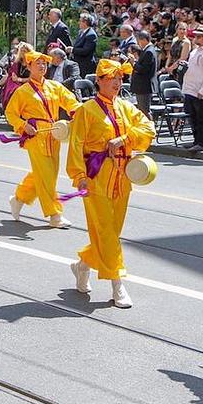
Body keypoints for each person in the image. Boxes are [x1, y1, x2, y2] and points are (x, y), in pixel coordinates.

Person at [66, 58, 155, 308]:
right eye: (111, 78)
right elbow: (75, 146)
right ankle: (118, 283)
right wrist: (79, 177)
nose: (117, 83)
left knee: (112, 233)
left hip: (122, 177)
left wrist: (125, 138)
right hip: (96, 178)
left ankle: (82, 265)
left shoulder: (126, 107)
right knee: (106, 232)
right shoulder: (87, 111)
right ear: (99, 81)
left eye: (120, 78)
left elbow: (148, 129)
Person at [6, 50, 80, 227]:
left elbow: (72, 103)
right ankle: (54, 215)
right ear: (29, 66)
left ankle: (19, 198)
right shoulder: (22, 91)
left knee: (47, 174)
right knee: (46, 176)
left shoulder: (55, 86)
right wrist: (24, 126)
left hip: (54, 134)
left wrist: (80, 113)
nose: (42, 66)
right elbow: (10, 113)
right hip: (36, 136)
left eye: (44, 63)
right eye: (37, 63)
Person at [181, 25, 203, 152]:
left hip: (200, 91)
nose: (196, 38)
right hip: (190, 88)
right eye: (196, 35)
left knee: (201, 117)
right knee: (192, 116)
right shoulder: (196, 50)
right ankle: (196, 140)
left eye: (199, 36)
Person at [128, 31, 157, 119]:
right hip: (142, 86)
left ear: (144, 40)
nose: (138, 43)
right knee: (143, 110)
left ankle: (150, 130)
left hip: (144, 86)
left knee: (145, 111)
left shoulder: (149, 52)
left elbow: (143, 69)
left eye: (139, 41)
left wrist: (134, 63)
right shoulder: (148, 50)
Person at [1, 41, 33, 109]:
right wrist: (15, 79)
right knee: (14, 90)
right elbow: (12, 75)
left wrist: (19, 79)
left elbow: (32, 79)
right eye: (21, 51)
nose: (23, 53)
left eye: (25, 51)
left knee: (19, 91)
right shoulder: (17, 63)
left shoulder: (33, 63)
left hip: (29, 85)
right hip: (17, 84)